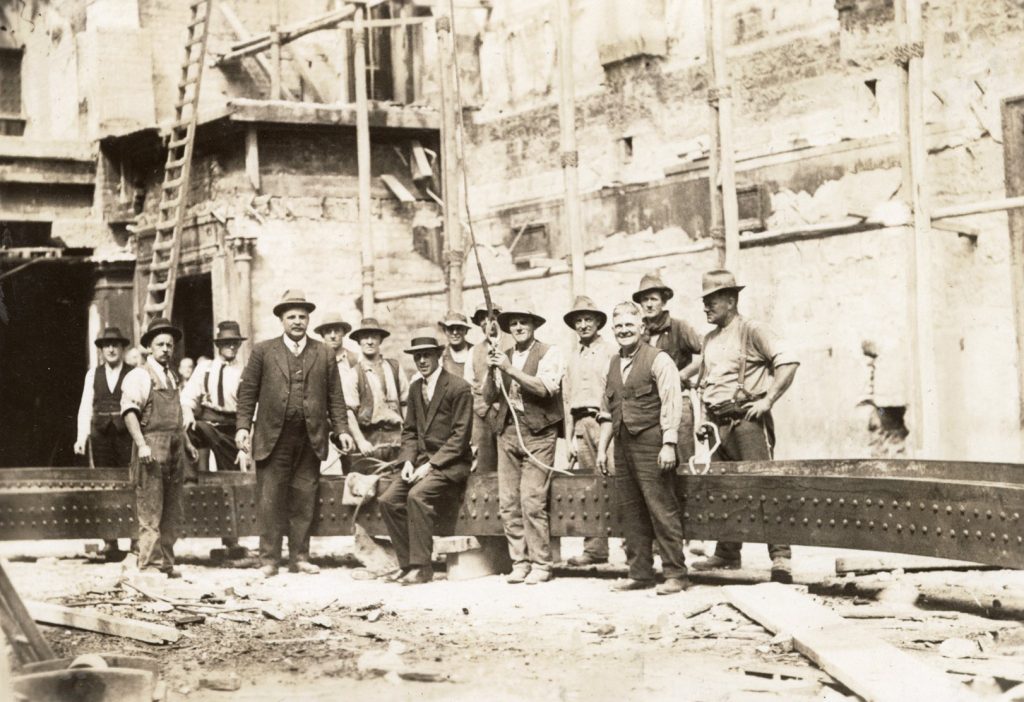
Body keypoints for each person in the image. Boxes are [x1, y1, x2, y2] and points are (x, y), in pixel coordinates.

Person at [689, 270, 799, 583]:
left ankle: (780, 557)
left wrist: (768, 401)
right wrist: (702, 420)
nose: (706, 307)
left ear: (731, 300)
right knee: (724, 492)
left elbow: (788, 362)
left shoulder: (752, 330)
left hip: (747, 422)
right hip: (717, 425)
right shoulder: (709, 339)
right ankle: (727, 553)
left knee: (765, 488)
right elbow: (702, 386)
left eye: (712, 301)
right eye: (705, 301)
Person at [235, 290, 355, 577]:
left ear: (308, 319)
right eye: (291, 317)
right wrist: (242, 427)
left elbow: (335, 397)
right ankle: (269, 560)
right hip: (272, 438)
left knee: (304, 497)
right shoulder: (264, 351)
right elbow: (248, 393)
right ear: (281, 320)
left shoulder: (323, 352)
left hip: (309, 437)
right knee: (271, 498)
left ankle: (300, 557)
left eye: (302, 316)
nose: (298, 321)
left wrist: (341, 430)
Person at [596, 301, 688, 595]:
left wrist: (669, 443)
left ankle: (675, 573)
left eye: (629, 325)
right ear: (613, 330)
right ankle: (640, 572)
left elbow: (672, 402)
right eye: (619, 326)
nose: (624, 331)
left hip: (653, 444)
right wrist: (602, 449)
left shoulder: (658, 360)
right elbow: (608, 410)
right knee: (631, 511)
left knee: (662, 508)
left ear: (641, 328)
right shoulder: (612, 363)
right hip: (623, 445)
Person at [378, 329, 474, 585]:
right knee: (388, 500)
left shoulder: (459, 387)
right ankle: (407, 563)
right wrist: (408, 461)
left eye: (427, 355)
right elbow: (409, 431)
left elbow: (460, 438)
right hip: (420, 464)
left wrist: (431, 465)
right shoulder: (415, 388)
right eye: (417, 356)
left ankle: (423, 568)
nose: (422, 361)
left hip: (450, 465)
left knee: (416, 496)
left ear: (438, 356)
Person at [484, 306, 564, 585]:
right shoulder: (504, 356)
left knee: (532, 499)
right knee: (508, 502)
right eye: (514, 323)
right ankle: (520, 562)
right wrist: (491, 368)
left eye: (524, 322)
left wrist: (509, 369)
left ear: (533, 326)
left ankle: (542, 564)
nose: (518, 327)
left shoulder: (549, 353)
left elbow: (544, 388)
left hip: (539, 433)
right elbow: (489, 396)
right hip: (507, 432)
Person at [120, 317, 197, 577]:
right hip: (150, 448)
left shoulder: (172, 377)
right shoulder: (139, 376)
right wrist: (141, 444)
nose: (165, 349)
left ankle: (165, 562)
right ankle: (150, 565)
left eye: (169, 345)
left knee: (172, 509)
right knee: (151, 509)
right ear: (149, 348)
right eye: (160, 344)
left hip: (175, 448)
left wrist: (187, 443)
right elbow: (129, 412)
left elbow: (176, 418)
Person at [181, 320, 248, 554]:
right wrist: (188, 414)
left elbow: (251, 406)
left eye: (234, 343)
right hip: (208, 421)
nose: (231, 347)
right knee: (190, 431)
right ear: (218, 345)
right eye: (226, 343)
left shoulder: (245, 371)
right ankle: (189, 482)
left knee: (230, 481)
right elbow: (188, 398)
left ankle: (231, 539)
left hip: (232, 426)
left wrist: (245, 433)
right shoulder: (205, 369)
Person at [561, 296, 617, 567]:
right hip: (581, 425)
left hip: (605, 423)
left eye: (588, 319)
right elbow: (567, 399)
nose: (583, 325)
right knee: (589, 489)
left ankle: (636, 549)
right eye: (578, 320)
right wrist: (570, 437)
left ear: (598, 322)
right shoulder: (572, 357)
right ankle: (595, 549)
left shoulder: (611, 351)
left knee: (618, 483)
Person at [632, 272, 703, 466]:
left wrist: (682, 374)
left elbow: (705, 354)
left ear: (663, 302)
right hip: (649, 408)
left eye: (653, 299)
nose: (648, 304)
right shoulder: (638, 333)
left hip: (678, 404)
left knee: (683, 460)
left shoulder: (680, 327)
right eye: (644, 300)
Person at [74, 326, 133, 556]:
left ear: (122, 348)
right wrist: (81, 437)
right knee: (105, 486)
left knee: (130, 485)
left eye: (115, 345)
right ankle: (110, 541)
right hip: (100, 437)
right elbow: (85, 407)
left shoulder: (133, 372)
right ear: (101, 350)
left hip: (125, 436)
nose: (111, 349)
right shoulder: (93, 374)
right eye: (106, 346)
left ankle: (135, 539)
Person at [345, 318, 409, 469]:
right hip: (369, 442)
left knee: (397, 485)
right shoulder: (354, 374)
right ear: (359, 341)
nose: (369, 341)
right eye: (365, 337)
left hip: (396, 440)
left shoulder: (394, 367)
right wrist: (360, 441)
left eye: (374, 336)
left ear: (380, 340)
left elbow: (406, 403)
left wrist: (408, 438)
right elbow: (349, 413)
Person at [465, 302, 512, 472]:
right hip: (482, 415)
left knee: (509, 466)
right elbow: (470, 384)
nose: (486, 322)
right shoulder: (474, 351)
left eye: (490, 317)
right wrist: (485, 405)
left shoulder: (513, 344)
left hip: (508, 415)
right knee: (484, 466)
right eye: (481, 319)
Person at [313, 312, 357, 474]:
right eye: (328, 331)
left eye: (337, 331)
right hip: (324, 427)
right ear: (322, 335)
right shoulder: (314, 361)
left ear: (343, 333)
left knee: (352, 472)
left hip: (352, 425)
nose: (333, 336)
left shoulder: (354, 360)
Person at [438, 311, 473, 377]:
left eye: (459, 328)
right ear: (445, 331)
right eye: (450, 328)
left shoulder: (475, 351)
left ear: (466, 331)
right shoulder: (441, 355)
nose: (455, 332)